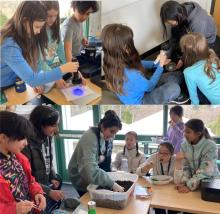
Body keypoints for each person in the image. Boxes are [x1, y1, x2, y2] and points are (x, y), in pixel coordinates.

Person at [0, 1, 79, 89]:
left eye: (41, 27)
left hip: (15, 81)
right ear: (24, 21)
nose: (39, 31)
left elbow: (31, 64)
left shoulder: (24, 34)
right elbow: (32, 79)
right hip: (3, 85)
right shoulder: (9, 45)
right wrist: (63, 69)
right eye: (37, 27)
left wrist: (38, 81)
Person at [101, 23, 182, 104]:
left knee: (179, 75)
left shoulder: (111, 62)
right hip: (142, 100)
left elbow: (137, 63)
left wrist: (156, 63)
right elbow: (150, 86)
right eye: (130, 41)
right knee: (174, 89)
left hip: (138, 86)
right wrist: (160, 66)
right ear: (125, 48)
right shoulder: (132, 75)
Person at [68, 110, 124, 197]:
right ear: (102, 126)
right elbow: (89, 170)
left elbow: (105, 159)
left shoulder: (107, 136)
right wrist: (112, 184)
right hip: (80, 176)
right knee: (88, 201)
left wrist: (109, 178)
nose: (113, 136)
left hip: (92, 174)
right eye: (111, 132)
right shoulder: (89, 138)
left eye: (115, 133)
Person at [0, 111, 46, 214]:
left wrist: (37, 192)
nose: (26, 143)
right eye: (22, 138)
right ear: (3, 138)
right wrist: (13, 209)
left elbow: (29, 181)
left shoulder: (17, 157)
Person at [22, 105, 64, 213]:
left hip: (43, 183)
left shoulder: (47, 137)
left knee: (58, 178)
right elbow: (26, 179)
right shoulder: (25, 144)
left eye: (57, 125)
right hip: (33, 189)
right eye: (53, 125)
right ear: (41, 125)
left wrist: (52, 176)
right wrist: (48, 191)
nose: (56, 130)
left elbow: (49, 161)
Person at [160, 0, 216, 67]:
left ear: (178, 16)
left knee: (191, 62)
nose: (170, 25)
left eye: (171, 23)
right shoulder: (180, 10)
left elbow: (195, 46)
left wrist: (183, 59)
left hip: (205, 41)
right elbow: (174, 35)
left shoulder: (198, 24)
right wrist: (167, 53)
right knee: (175, 34)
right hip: (192, 32)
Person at [174, 119, 219, 193]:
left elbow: (205, 171)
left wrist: (189, 186)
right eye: (184, 131)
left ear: (198, 134)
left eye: (188, 132)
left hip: (211, 184)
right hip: (193, 184)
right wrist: (184, 182)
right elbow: (185, 167)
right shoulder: (184, 145)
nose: (184, 134)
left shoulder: (210, 146)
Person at [180, 33, 220, 105]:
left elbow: (195, 101)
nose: (182, 51)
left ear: (187, 55)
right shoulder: (213, 56)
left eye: (183, 50)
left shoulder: (188, 72)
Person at [136, 142, 176, 214]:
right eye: (160, 152)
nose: (161, 155)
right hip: (156, 187)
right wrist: (147, 167)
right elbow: (138, 173)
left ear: (171, 154)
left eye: (166, 153)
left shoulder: (175, 159)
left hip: (171, 189)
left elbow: (179, 178)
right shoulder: (154, 157)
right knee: (159, 208)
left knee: (173, 208)